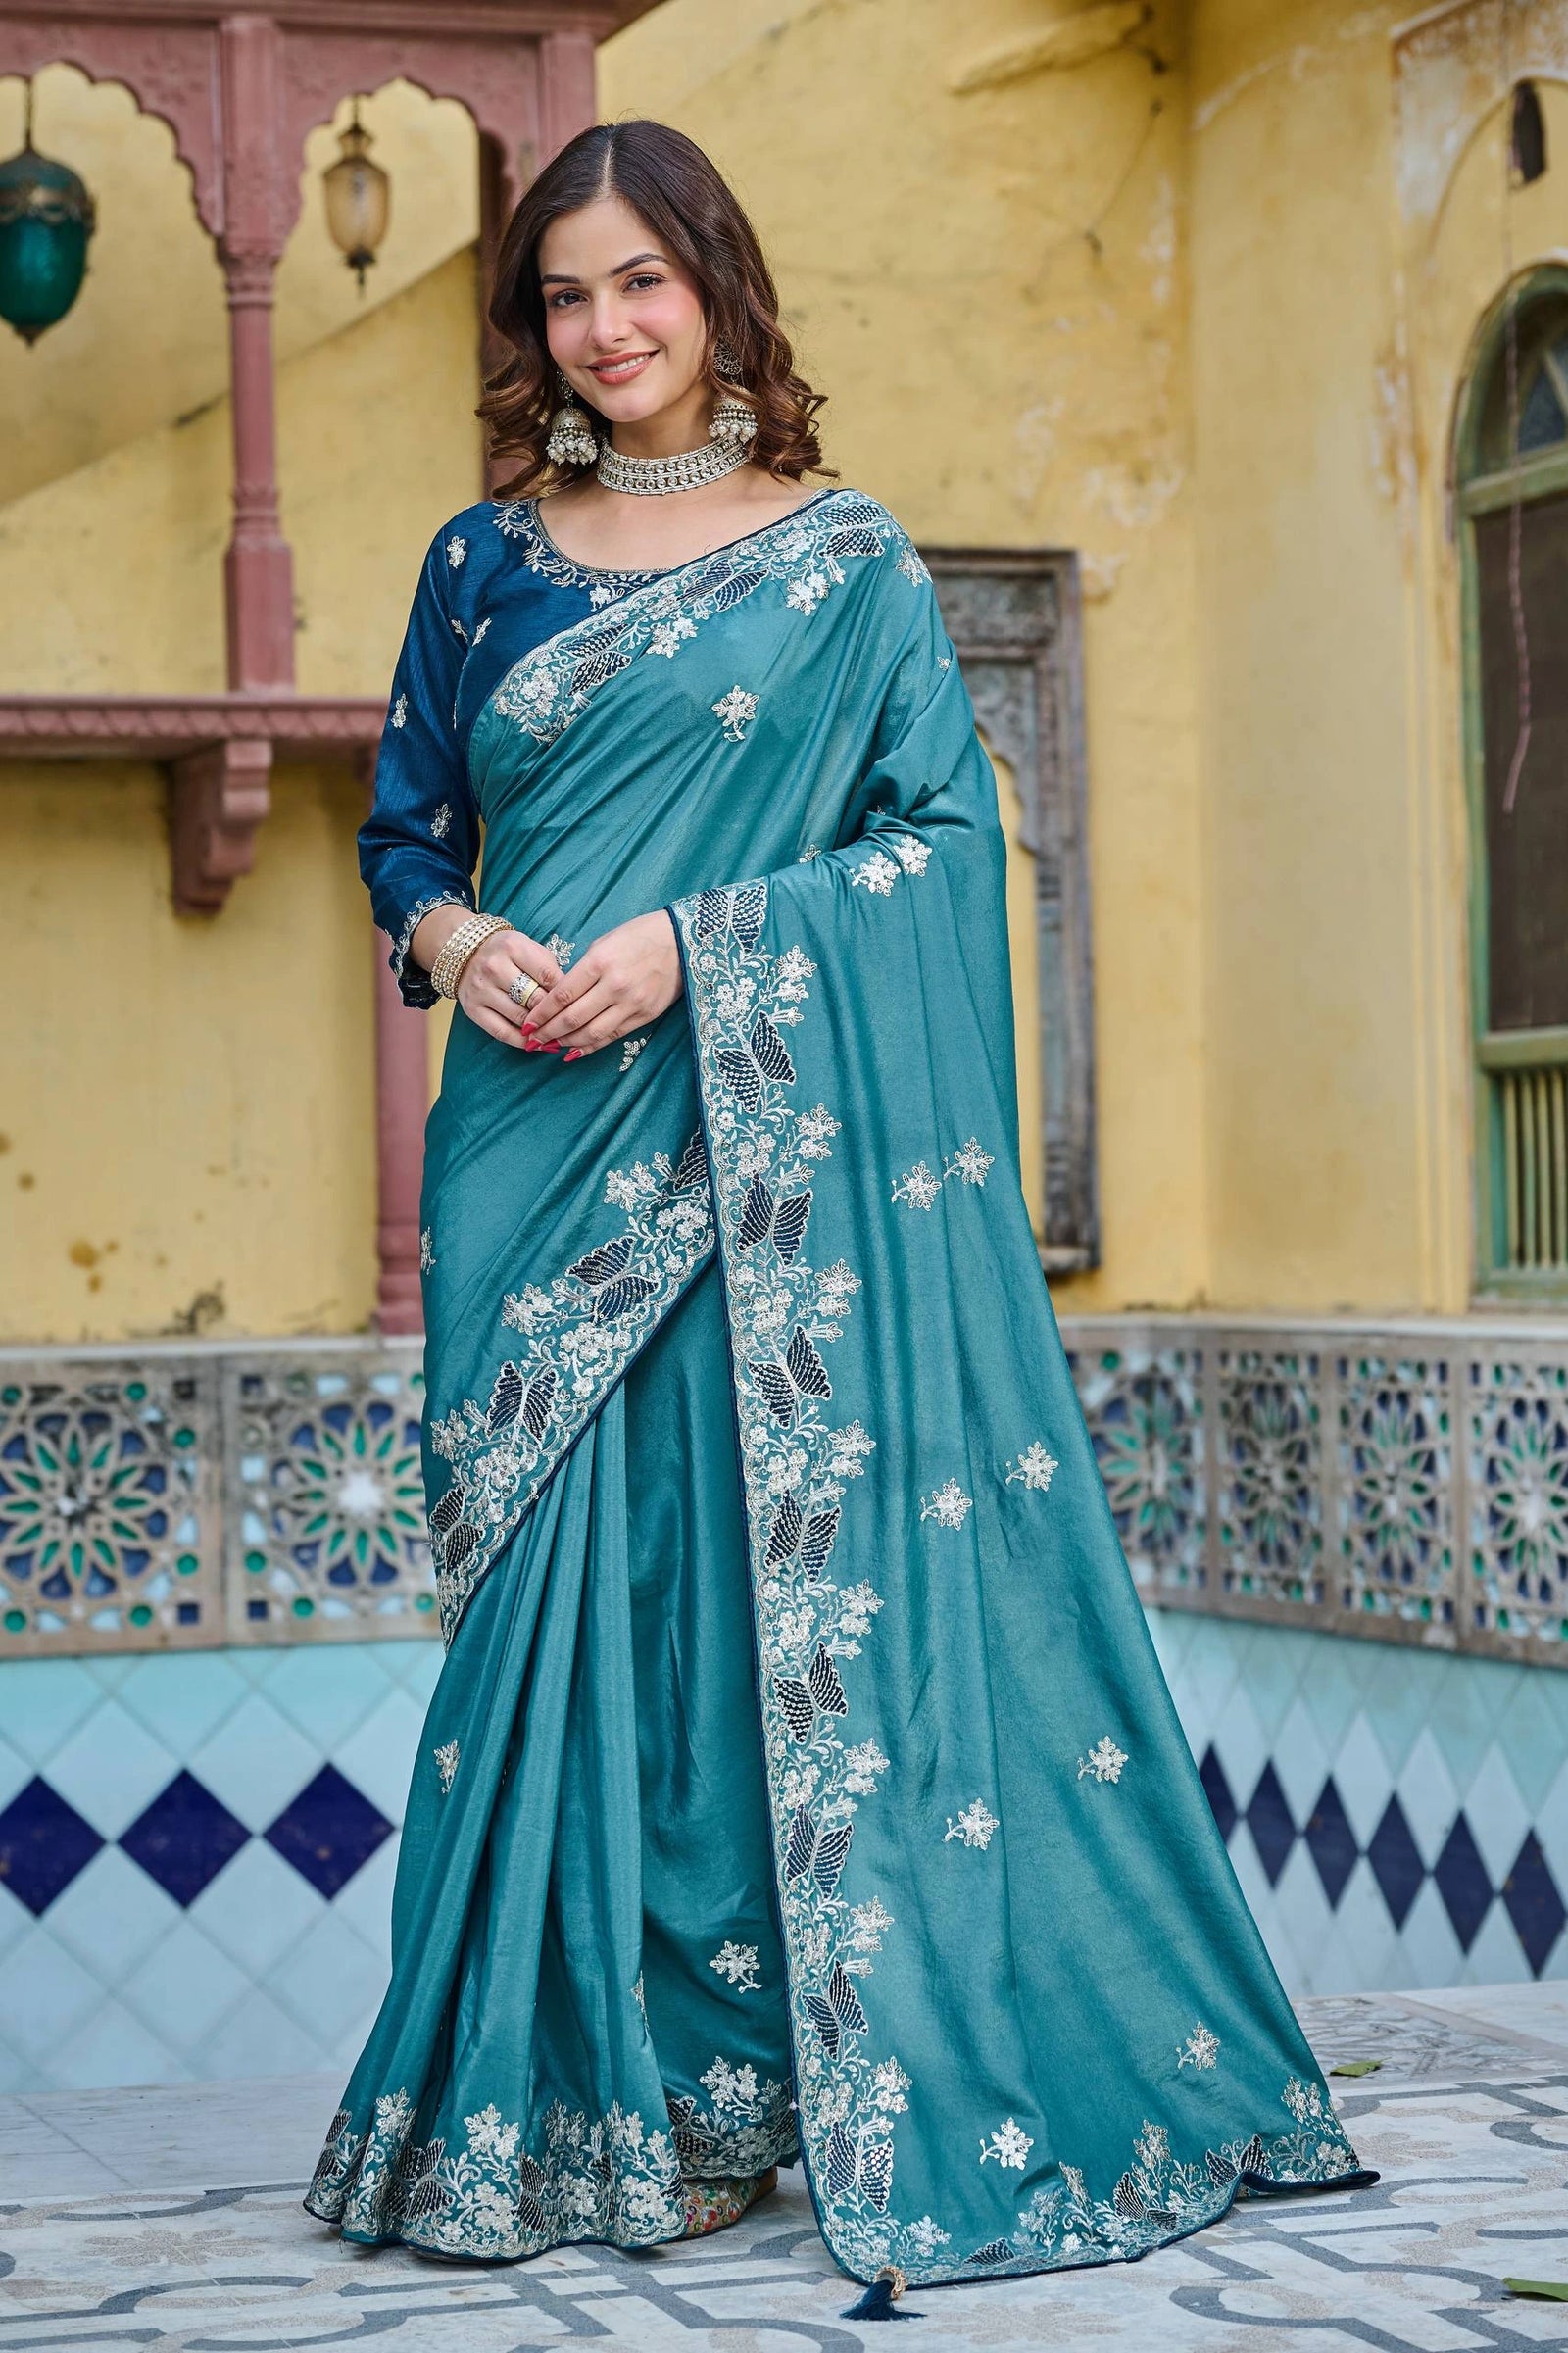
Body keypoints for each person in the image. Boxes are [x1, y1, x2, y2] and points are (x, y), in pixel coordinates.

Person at [306, 118, 1373, 2312]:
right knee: (561, 1615)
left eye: (640, 287)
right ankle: (568, 2103)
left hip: (754, 1140)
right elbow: (402, 831)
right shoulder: (478, 561)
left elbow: (931, 860)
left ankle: (767, 2092)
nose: (602, 334)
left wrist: (704, 951)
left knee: (744, 1595)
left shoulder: (849, 566)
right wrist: (455, 949)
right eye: (565, 298)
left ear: (719, 289)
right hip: (531, 1143)